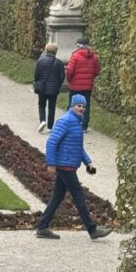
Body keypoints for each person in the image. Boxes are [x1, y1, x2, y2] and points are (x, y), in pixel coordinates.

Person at [35, 95, 111, 240]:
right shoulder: (66, 121)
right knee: (79, 196)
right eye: (78, 106)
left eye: (83, 106)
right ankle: (93, 230)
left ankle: (42, 227)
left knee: (58, 196)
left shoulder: (76, 122)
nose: (81, 109)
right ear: (72, 106)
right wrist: (51, 163)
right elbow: (51, 142)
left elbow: (77, 147)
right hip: (65, 166)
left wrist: (88, 162)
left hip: (68, 165)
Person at [65, 37, 101, 131]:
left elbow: (70, 70)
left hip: (75, 84)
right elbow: (97, 70)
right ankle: (84, 125)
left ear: (78, 45)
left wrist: (70, 80)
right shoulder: (94, 57)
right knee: (85, 105)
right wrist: (90, 78)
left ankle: (71, 123)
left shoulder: (75, 56)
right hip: (87, 86)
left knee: (73, 104)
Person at [33, 41, 66, 133]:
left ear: (46, 50)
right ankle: (50, 127)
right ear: (56, 51)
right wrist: (57, 85)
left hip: (42, 88)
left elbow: (36, 75)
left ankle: (42, 121)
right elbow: (62, 76)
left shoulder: (40, 61)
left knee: (41, 105)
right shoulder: (59, 63)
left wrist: (38, 82)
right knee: (52, 107)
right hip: (54, 89)